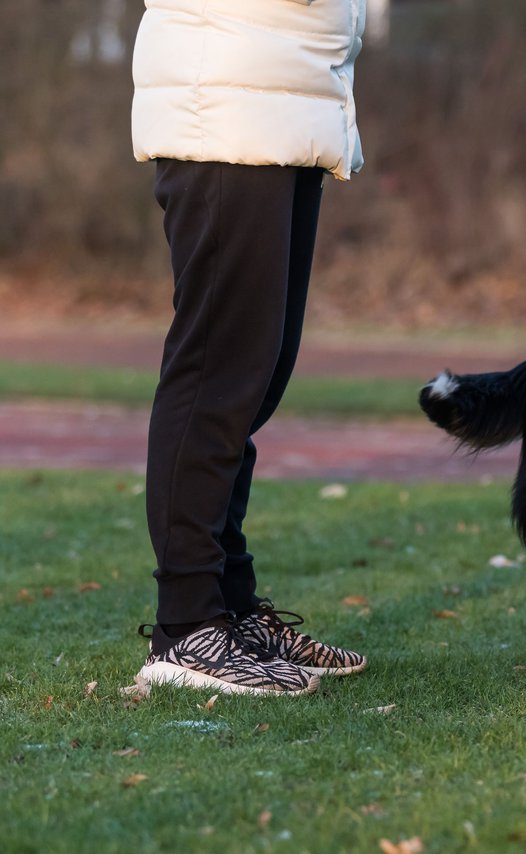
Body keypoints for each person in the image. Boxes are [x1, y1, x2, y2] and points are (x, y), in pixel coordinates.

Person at [130, 0, 369, 695]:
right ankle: (187, 627)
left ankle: (229, 611)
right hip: (229, 107)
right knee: (216, 377)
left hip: (281, 103)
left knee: (253, 381)